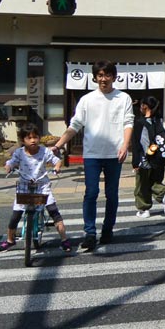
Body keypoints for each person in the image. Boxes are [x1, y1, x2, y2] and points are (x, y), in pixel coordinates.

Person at [51, 60, 133, 252]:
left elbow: (128, 123)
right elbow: (75, 125)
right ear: (95, 77)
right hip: (92, 154)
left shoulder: (123, 98)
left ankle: (107, 230)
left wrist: (125, 144)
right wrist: (59, 144)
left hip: (114, 153)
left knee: (111, 194)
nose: (103, 79)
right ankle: (89, 233)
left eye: (107, 75)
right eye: (100, 75)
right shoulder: (87, 100)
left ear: (114, 76)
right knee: (91, 193)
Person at [0, 122, 72, 253]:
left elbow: (57, 160)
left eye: (35, 137)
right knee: (15, 215)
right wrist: (9, 166)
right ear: (23, 140)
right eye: (29, 138)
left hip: (42, 186)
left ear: (39, 138)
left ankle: (64, 240)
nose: (33, 140)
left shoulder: (45, 151)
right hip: (24, 186)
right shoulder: (19, 153)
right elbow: (11, 162)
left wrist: (57, 167)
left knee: (53, 211)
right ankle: (10, 240)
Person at [131, 96, 165, 218]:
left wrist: (136, 162)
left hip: (145, 160)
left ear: (145, 107)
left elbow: (138, 144)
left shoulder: (140, 123)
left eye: (141, 105)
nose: (139, 108)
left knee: (141, 186)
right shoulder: (157, 121)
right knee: (154, 181)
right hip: (159, 160)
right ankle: (164, 196)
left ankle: (144, 209)